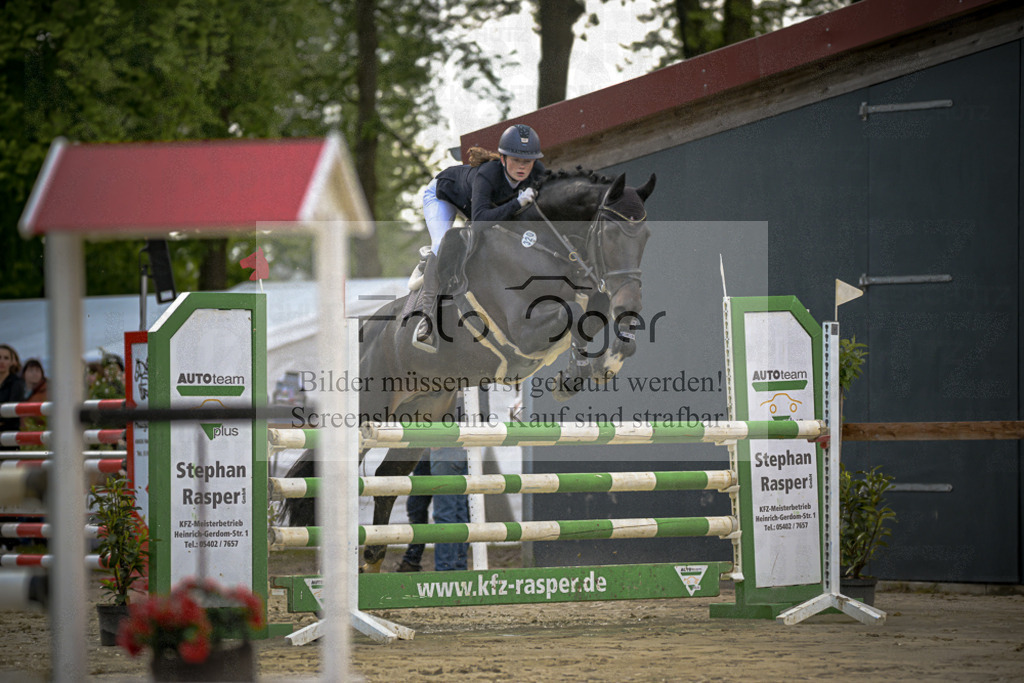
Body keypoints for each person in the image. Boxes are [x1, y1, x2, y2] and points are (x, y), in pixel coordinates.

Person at [411, 123, 547, 352]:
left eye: (528, 161)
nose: (523, 167)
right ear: (503, 159)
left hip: (474, 203)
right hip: (442, 195)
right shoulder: (488, 175)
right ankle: (427, 320)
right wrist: (517, 203)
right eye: (516, 160)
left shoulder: (538, 172)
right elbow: (480, 220)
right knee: (441, 242)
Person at [396, 446, 470, 572]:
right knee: (454, 508)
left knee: (446, 511)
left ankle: (446, 570)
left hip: (440, 444)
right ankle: (455, 567)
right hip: (441, 446)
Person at [0, 344, 26, 450]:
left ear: (12, 362)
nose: (2, 361)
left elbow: (11, 412)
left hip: (9, 439)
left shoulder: (17, 383)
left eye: (6, 358)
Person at [19, 359, 48, 433]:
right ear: (24, 374)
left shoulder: (47, 392)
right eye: (31, 370)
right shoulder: (18, 391)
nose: (34, 373)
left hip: (39, 434)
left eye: (37, 370)